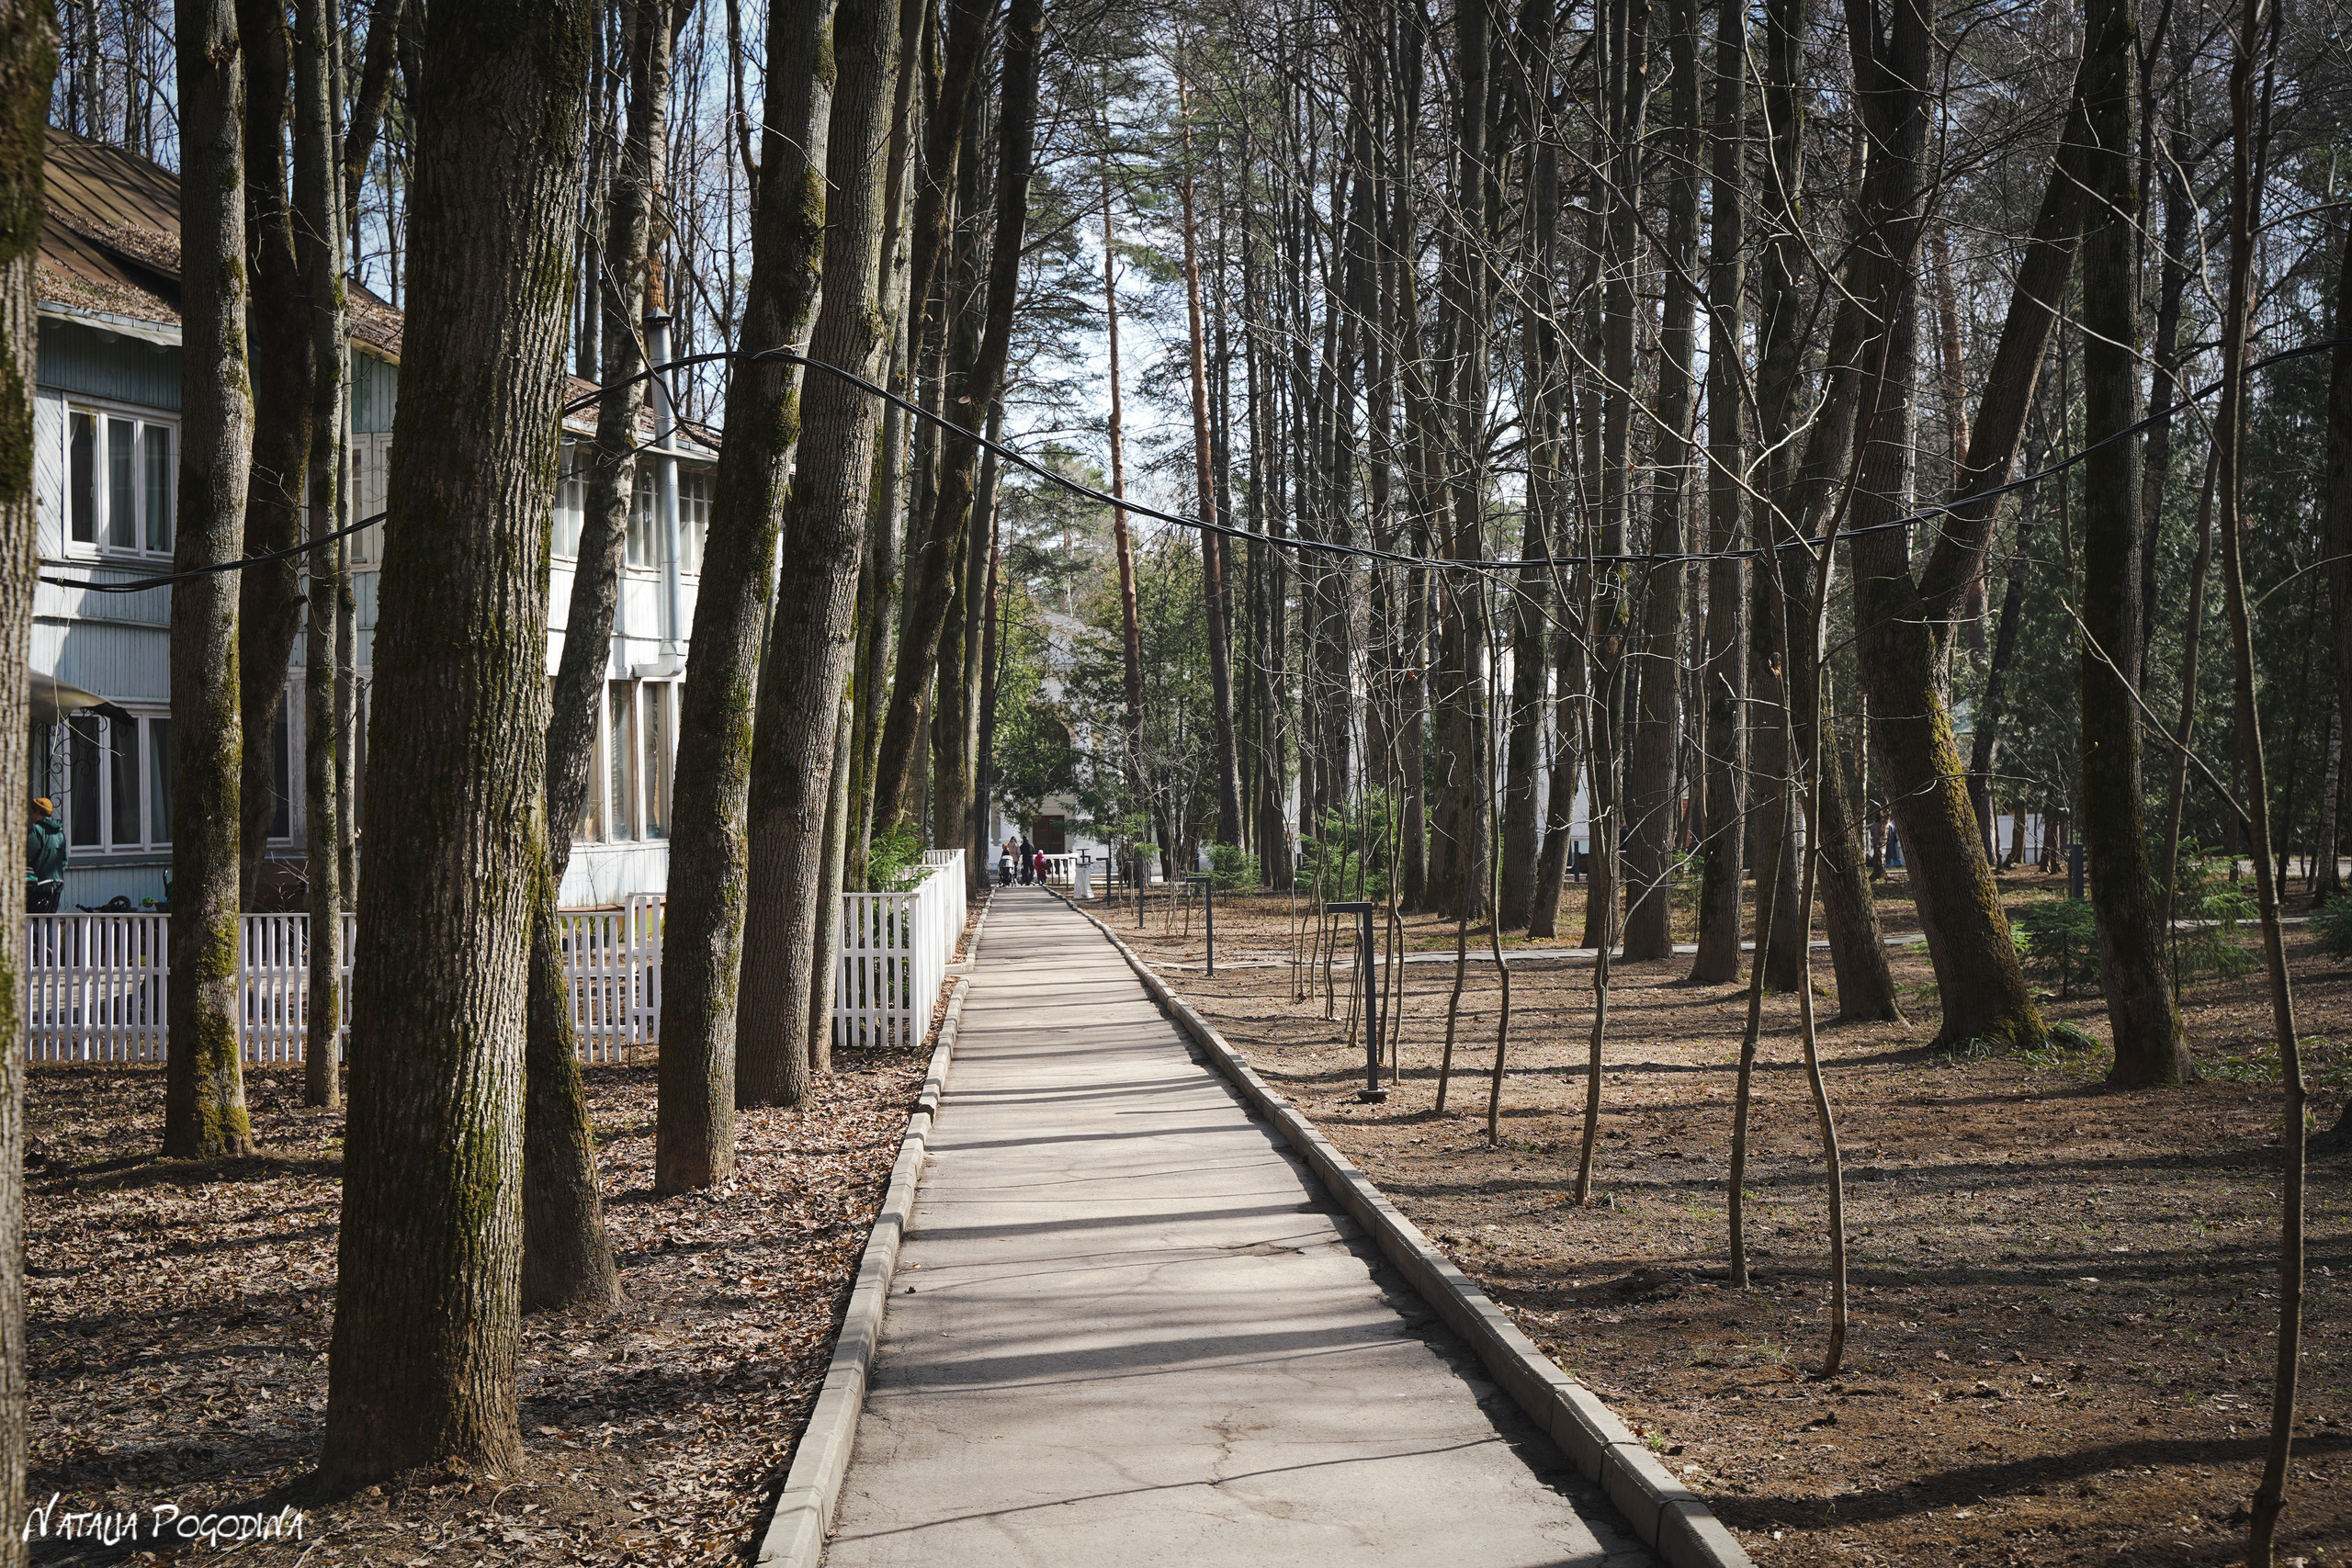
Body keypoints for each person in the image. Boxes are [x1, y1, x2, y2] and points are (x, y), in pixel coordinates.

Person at [27, 796, 64, 913]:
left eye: (31, 811)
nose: (30, 815)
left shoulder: (36, 831)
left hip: (39, 887)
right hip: (57, 885)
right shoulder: (59, 833)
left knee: (34, 925)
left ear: (37, 812)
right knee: (49, 924)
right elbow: (64, 860)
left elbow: (27, 856)